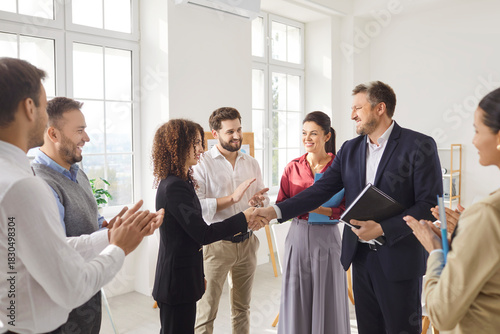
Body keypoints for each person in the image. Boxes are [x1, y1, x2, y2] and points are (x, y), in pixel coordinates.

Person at [252, 81, 443, 334]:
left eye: (358, 108)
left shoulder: (419, 145)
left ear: (380, 108)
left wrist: (383, 228)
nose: (352, 115)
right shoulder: (350, 149)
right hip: (360, 258)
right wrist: (275, 211)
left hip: (400, 258)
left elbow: (428, 204)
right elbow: (320, 190)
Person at [0, 57, 162, 334]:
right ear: (29, 108)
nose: (87, 137)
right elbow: (71, 287)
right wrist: (119, 245)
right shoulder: (25, 185)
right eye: (42, 103)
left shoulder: (15, 176)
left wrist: (110, 232)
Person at [151, 119, 266, 334]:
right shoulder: (174, 186)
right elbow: (203, 233)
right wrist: (243, 216)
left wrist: (197, 274)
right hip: (176, 282)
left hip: (185, 276)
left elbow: (191, 233)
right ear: (178, 146)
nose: (201, 150)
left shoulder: (182, 181)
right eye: (195, 144)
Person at [405, 87, 500, 334]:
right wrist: (467, 236)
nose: (474, 140)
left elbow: (441, 314)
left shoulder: (487, 213)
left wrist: (436, 250)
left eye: (477, 131)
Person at [31, 97, 112, 333]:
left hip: (89, 294)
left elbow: (92, 222)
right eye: (80, 131)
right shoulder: (40, 183)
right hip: (62, 309)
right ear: (53, 134)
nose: (86, 138)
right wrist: (113, 236)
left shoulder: (78, 173)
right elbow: (58, 250)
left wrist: (111, 225)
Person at [193, 107, 269, 334]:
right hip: (216, 246)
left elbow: (262, 199)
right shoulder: (202, 163)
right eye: (230, 132)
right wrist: (233, 198)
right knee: (207, 312)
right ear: (215, 134)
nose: (237, 136)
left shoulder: (251, 163)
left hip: (247, 243)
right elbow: (198, 207)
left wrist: (258, 202)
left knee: (242, 309)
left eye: (239, 129)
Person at [276, 111, 350, 334]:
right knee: (296, 296)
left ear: (327, 136)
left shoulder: (339, 169)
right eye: (304, 133)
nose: (307, 138)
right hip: (297, 237)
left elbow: (346, 210)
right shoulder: (293, 167)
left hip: (327, 239)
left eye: (313, 133)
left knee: (327, 297)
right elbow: (282, 204)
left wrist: (318, 208)